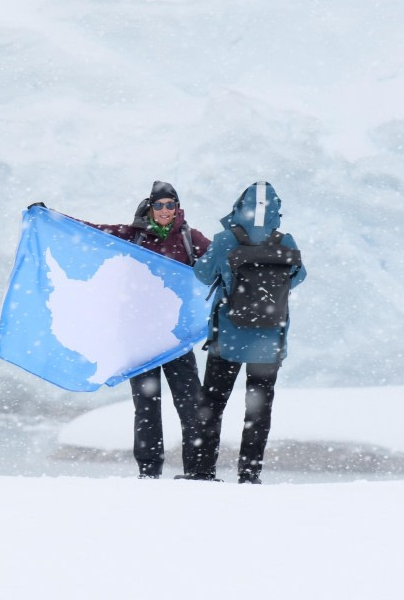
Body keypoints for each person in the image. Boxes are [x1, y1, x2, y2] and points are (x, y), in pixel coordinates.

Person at [82, 181, 212, 479]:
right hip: (140, 338)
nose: (164, 210)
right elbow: (93, 233)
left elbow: (221, 262)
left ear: (176, 208)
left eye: (170, 205)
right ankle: (149, 471)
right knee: (146, 407)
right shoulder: (133, 236)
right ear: (150, 208)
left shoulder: (191, 238)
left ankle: (196, 470)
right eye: (159, 205)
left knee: (191, 405)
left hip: (175, 338)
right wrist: (53, 218)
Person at [193, 181, 306, 484]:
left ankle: (203, 471)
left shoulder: (225, 240)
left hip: (228, 338)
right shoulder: (286, 241)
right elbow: (297, 277)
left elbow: (202, 273)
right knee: (258, 409)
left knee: (212, 406)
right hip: (268, 342)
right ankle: (249, 473)